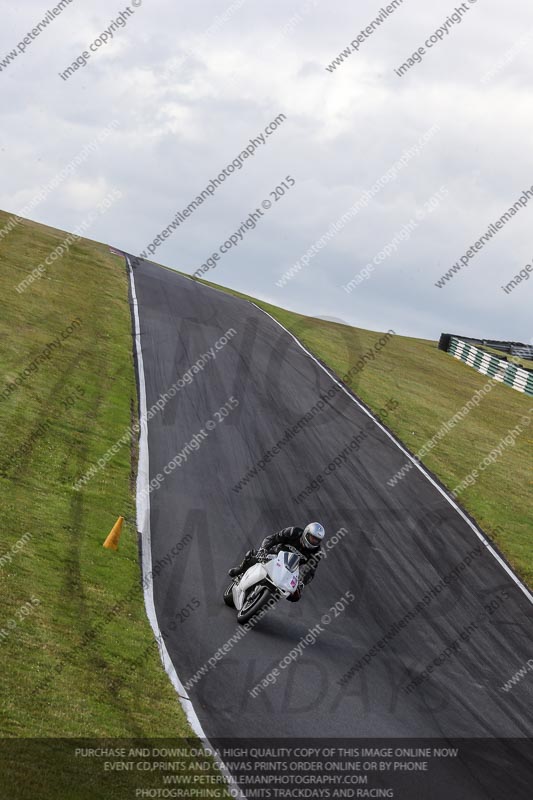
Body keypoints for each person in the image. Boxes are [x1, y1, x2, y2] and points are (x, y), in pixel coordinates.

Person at [228, 522, 325, 602]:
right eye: (312, 538)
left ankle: (269, 599)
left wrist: (302, 582)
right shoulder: (293, 532)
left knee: (295, 597)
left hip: (290, 570)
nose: (314, 541)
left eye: (317, 540)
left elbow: (311, 571)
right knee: (252, 555)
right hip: (274, 555)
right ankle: (240, 570)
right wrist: (264, 549)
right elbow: (273, 538)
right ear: (306, 533)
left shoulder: (317, 553)